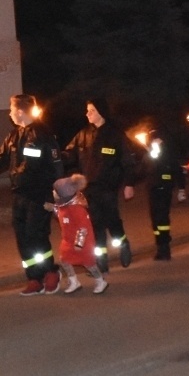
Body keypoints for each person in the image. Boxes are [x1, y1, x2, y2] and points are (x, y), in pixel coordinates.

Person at [0, 94, 62, 295]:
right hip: (19, 195)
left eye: (12, 110)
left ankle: (50, 272)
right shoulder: (14, 136)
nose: (10, 113)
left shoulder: (42, 135)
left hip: (39, 195)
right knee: (23, 237)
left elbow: (53, 168)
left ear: (21, 111)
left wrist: (54, 195)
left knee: (36, 235)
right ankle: (34, 278)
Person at [63, 98, 134, 267]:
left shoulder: (115, 135)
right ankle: (101, 258)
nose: (87, 113)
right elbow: (68, 154)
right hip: (88, 188)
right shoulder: (83, 134)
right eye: (87, 110)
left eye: (92, 110)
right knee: (95, 223)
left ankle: (123, 244)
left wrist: (129, 184)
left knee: (112, 220)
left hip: (108, 187)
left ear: (101, 112)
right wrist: (52, 157)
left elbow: (128, 161)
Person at [46, 175, 109, 294]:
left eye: (56, 191)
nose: (53, 193)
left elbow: (82, 228)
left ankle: (100, 281)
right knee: (64, 260)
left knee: (89, 264)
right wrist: (53, 208)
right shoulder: (64, 206)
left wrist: (79, 244)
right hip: (68, 240)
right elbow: (61, 215)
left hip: (82, 242)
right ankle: (73, 281)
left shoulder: (77, 209)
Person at [138, 121, 186, 259]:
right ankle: (160, 244)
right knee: (154, 219)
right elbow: (140, 171)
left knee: (162, 217)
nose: (156, 141)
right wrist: (129, 183)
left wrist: (182, 189)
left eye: (158, 139)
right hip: (152, 190)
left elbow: (178, 171)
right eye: (153, 139)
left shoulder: (169, 155)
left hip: (165, 189)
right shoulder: (148, 155)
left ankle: (165, 247)